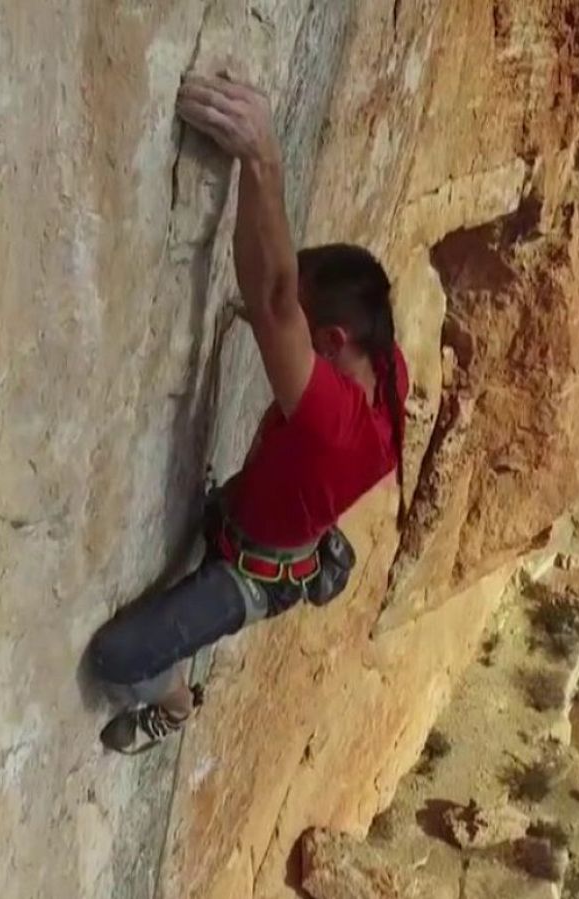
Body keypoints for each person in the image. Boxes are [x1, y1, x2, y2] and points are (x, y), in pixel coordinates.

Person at [89, 72, 408, 754]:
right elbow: (283, 297)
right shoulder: (382, 364)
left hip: (250, 576)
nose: (283, 341)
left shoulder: (336, 426)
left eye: (302, 337)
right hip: (256, 515)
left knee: (118, 657)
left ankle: (174, 704)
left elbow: (275, 301)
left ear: (331, 342)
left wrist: (261, 158)